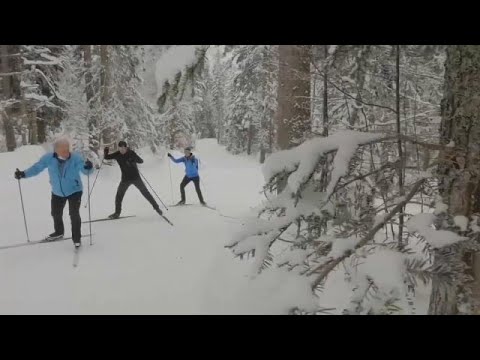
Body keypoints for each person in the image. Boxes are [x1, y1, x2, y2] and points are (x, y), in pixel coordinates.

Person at [14, 137, 94, 248]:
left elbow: (85, 170)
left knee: (74, 214)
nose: (66, 152)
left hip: (74, 190)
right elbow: (37, 168)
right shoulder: (48, 158)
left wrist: (88, 167)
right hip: (57, 192)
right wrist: (23, 174)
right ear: (56, 150)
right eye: (63, 150)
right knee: (55, 213)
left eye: (67, 149)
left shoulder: (75, 158)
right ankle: (59, 232)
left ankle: (76, 238)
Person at [104, 141, 163, 219]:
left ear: (126, 147)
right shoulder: (117, 154)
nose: (122, 149)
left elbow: (141, 161)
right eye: (120, 148)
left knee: (145, 193)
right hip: (125, 179)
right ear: (118, 148)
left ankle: (157, 208)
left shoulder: (131, 153)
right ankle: (117, 213)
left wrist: (133, 159)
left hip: (136, 178)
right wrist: (106, 151)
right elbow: (107, 157)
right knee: (119, 196)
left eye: (123, 148)